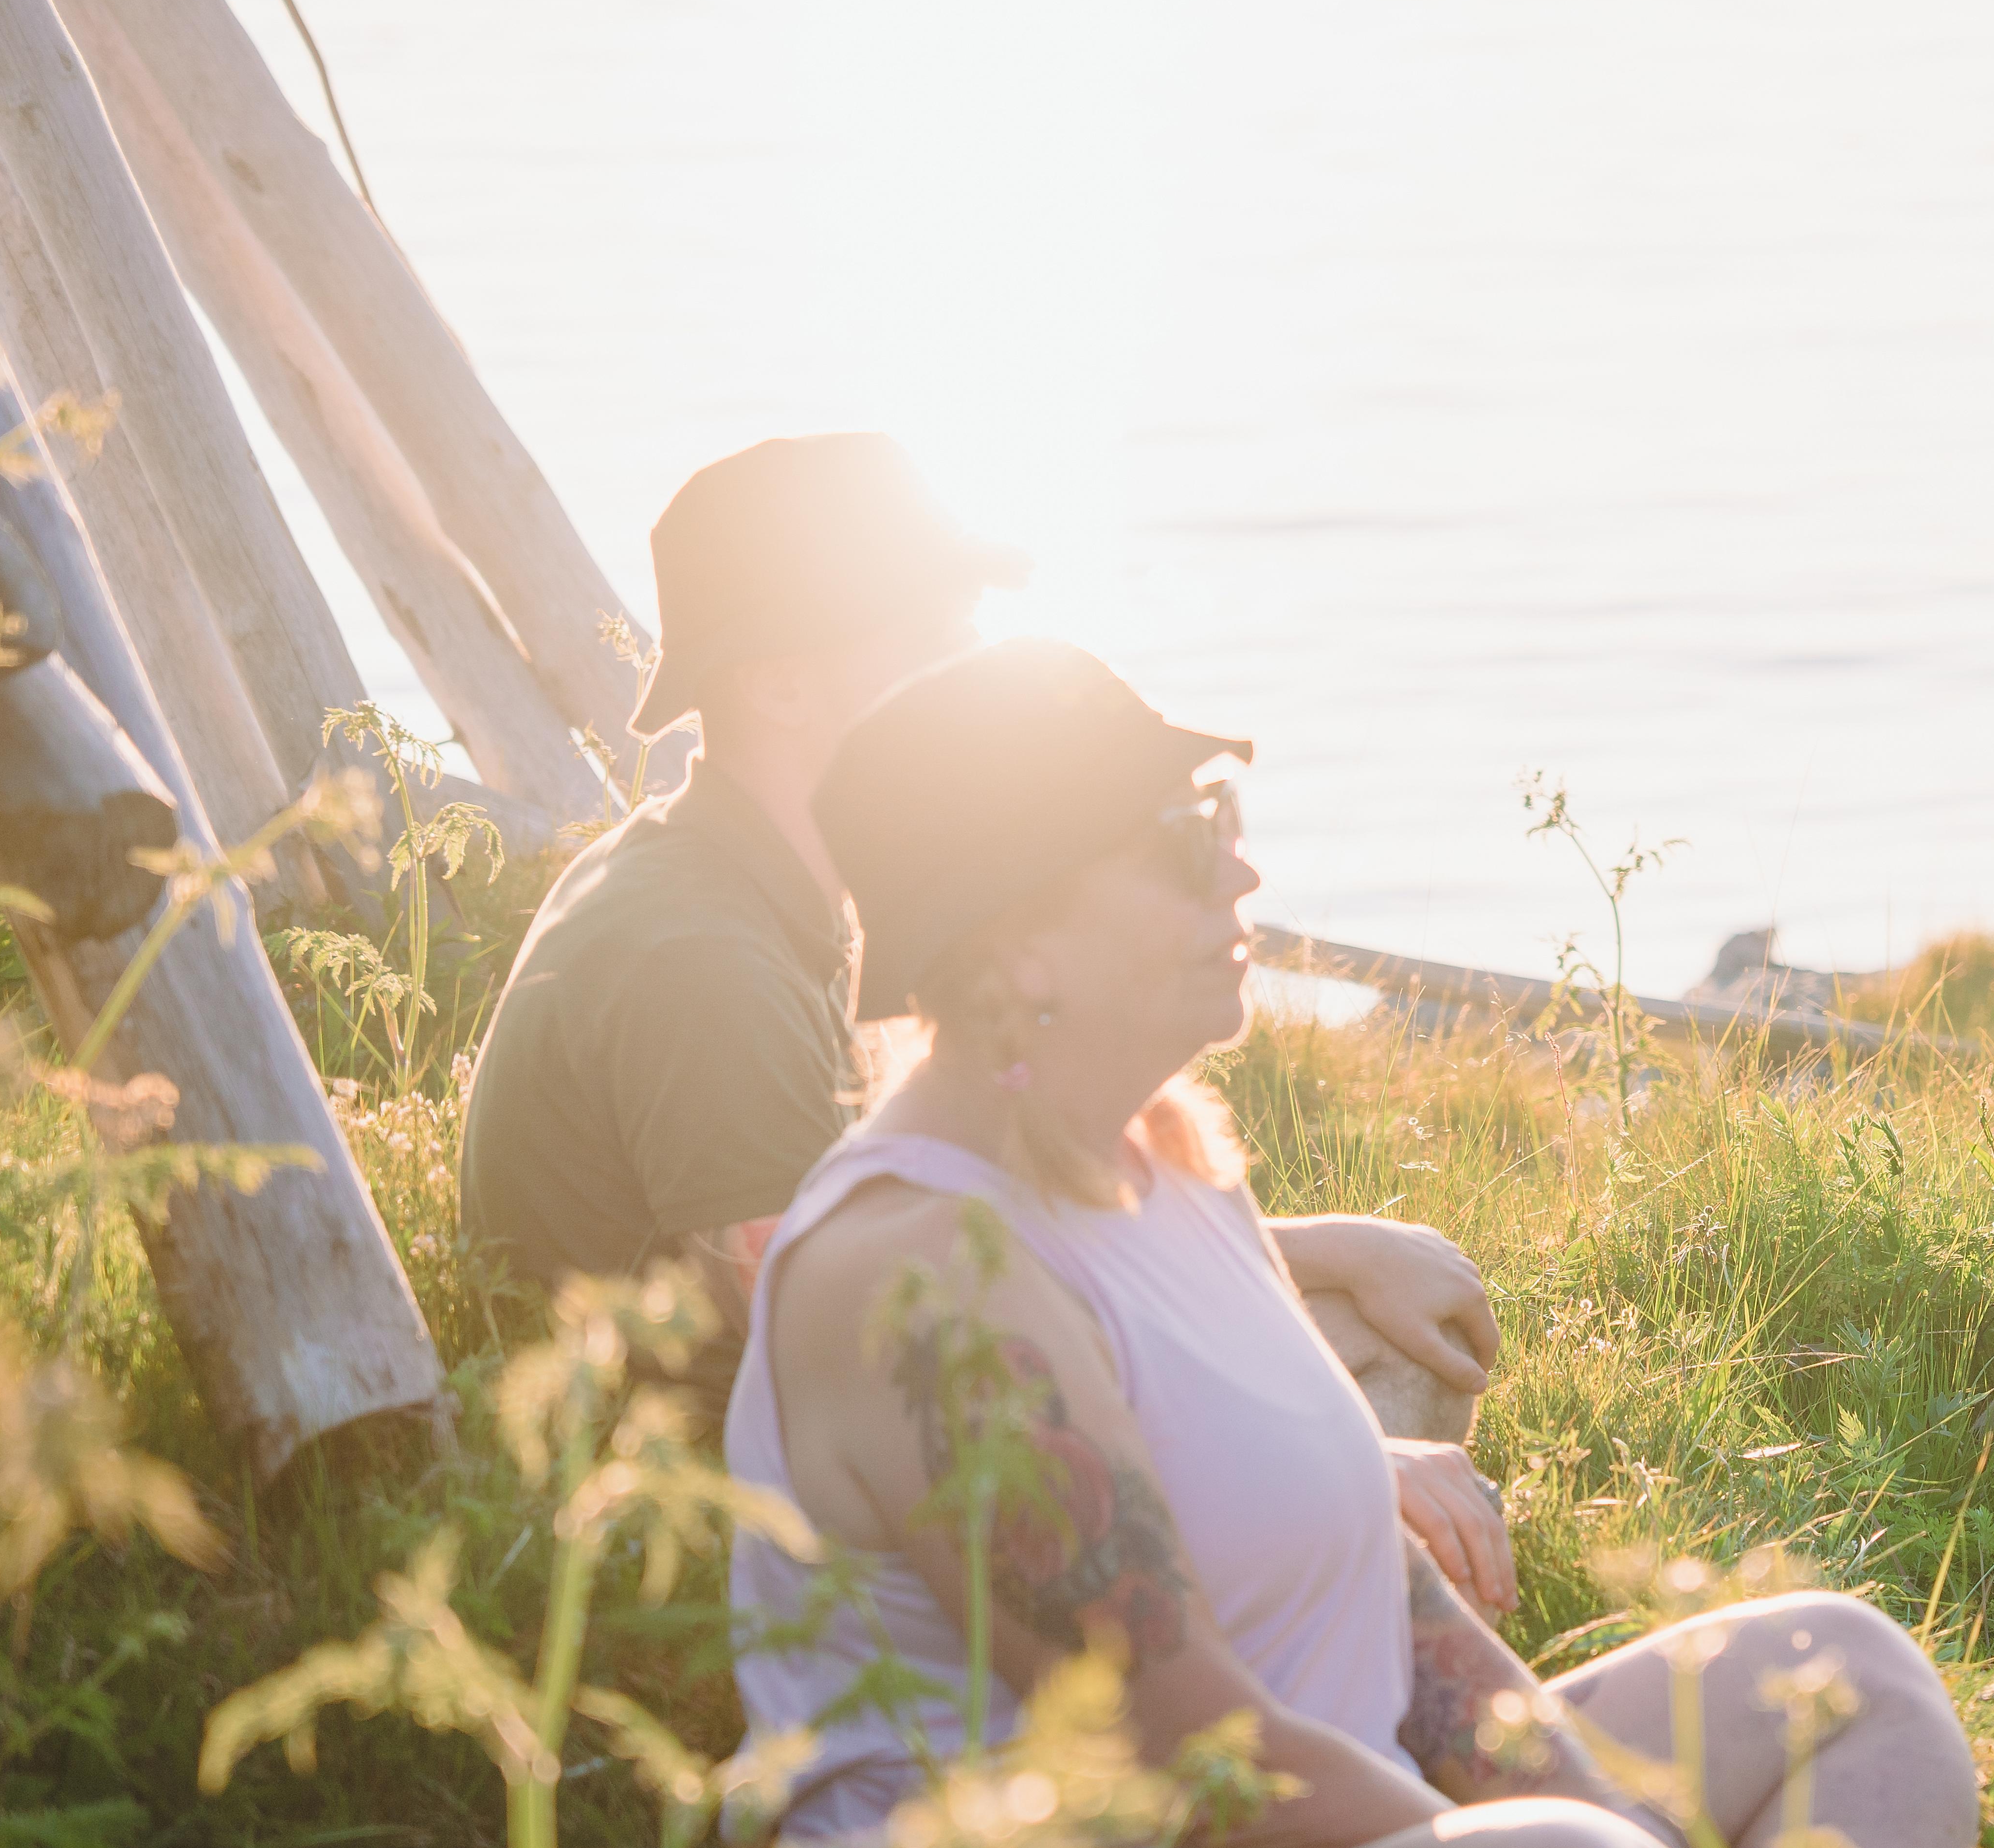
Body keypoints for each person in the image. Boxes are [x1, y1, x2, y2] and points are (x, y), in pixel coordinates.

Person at [727, 638, 1982, 1848]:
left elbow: (1392, 1595)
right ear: (1013, 951)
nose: (1241, 874)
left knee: (1839, 1668)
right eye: (1186, 842)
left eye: (1226, 813)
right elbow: (1213, 1779)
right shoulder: (925, 1274)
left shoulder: (1158, 1151)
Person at [453, 435, 1498, 1519]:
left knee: (1350, 1322)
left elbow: (938, 1238)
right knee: (1368, 1371)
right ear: (778, 683)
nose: (971, 668)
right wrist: (1327, 1458)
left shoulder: (767, 878)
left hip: (847, 1406)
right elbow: (874, 1349)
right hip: (756, 1506)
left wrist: (1316, 1249)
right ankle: (1330, 1641)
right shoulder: (702, 961)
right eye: (933, 636)